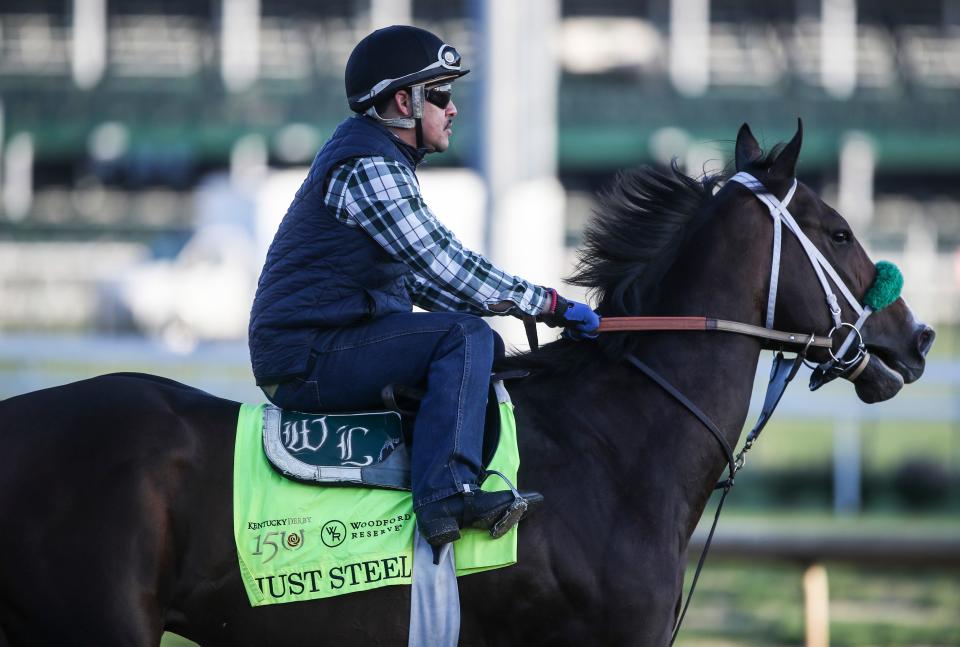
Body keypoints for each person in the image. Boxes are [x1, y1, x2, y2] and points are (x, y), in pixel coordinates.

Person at [248, 25, 600, 548]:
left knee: (486, 344)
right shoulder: (369, 165)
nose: (452, 109)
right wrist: (547, 303)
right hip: (308, 357)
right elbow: (444, 264)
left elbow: (422, 284)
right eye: (440, 95)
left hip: (327, 341)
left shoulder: (380, 160)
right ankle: (446, 496)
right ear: (401, 101)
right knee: (464, 338)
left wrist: (527, 314)